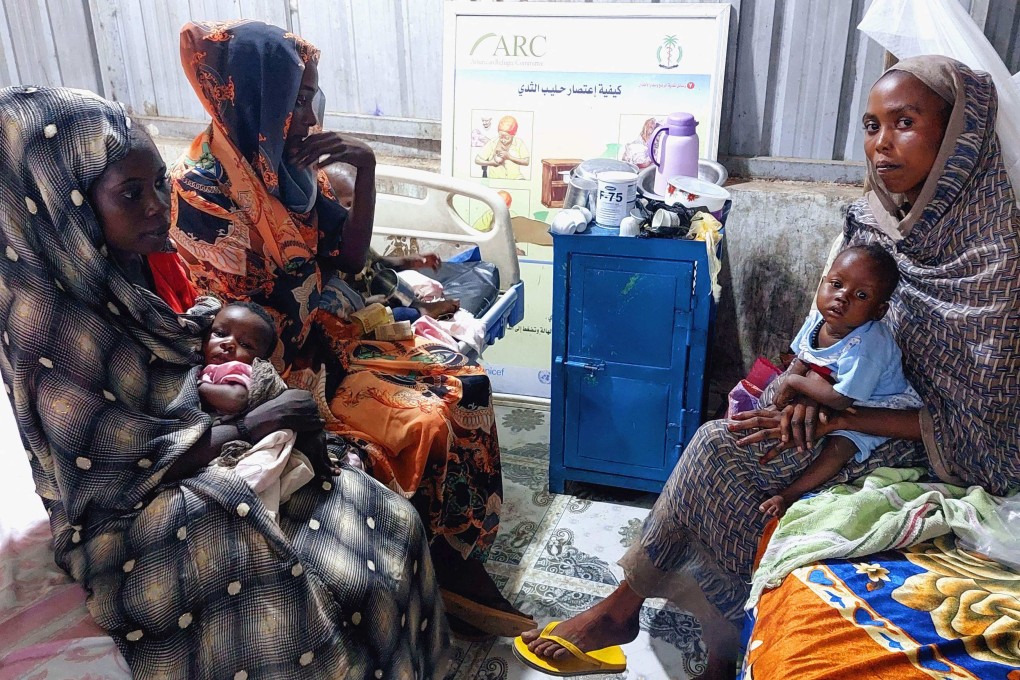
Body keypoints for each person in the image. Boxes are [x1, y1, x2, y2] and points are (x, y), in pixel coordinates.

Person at [519, 55, 1019, 677]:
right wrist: (804, 394)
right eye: (870, 124)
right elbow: (829, 331)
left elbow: (986, 429)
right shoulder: (877, 219)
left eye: (905, 123)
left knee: (714, 452)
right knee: (719, 448)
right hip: (846, 403)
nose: (881, 144)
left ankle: (651, 617)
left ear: (957, 138)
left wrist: (840, 419)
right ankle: (702, 626)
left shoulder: (994, 262)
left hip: (918, 443)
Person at [0, 86, 448, 678]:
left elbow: (186, 343)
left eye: (159, 183)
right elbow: (106, 476)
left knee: (386, 520)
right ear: (67, 202)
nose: (160, 206)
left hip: (199, 441)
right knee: (268, 556)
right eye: (132, 194)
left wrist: (260, 408)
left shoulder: (125, 269)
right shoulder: (46, 322)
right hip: (124, 521)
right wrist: (251, 423)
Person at [169, 20, 532, 637]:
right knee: (416, 421)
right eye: (301, 96)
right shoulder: (204, 190)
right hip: (268, 368)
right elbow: (245, 317)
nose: (312, 114)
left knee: (463, 382)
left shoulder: (288, 171)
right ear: (263, 96)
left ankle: (455, 555)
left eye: (313, 95)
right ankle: (425, 567)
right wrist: (318, 348)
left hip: (321, 341)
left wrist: (364, 169)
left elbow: (351, 259)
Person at [759, 244, 921, 518]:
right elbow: (801, 359)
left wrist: (795, 385)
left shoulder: (870, 344)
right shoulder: (816, 321)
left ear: (879, 311)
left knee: (839, 448)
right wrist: (783, 394)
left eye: (861, 295)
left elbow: (840, 399)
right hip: (838, 391)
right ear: (822, 284)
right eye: (836, 284)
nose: (842, 298)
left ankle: (789, 494)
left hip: (876, 406)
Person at [474, 115, 531, 180]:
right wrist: (491, 163)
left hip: (516, 179)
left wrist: (510, 157)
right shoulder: (493, 143)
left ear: (513, 135)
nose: (503, 140)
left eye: (507, 138)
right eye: (501, 136)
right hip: (496, 180)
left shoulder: (519, 143)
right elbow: (477, 160)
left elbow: (526, 162)